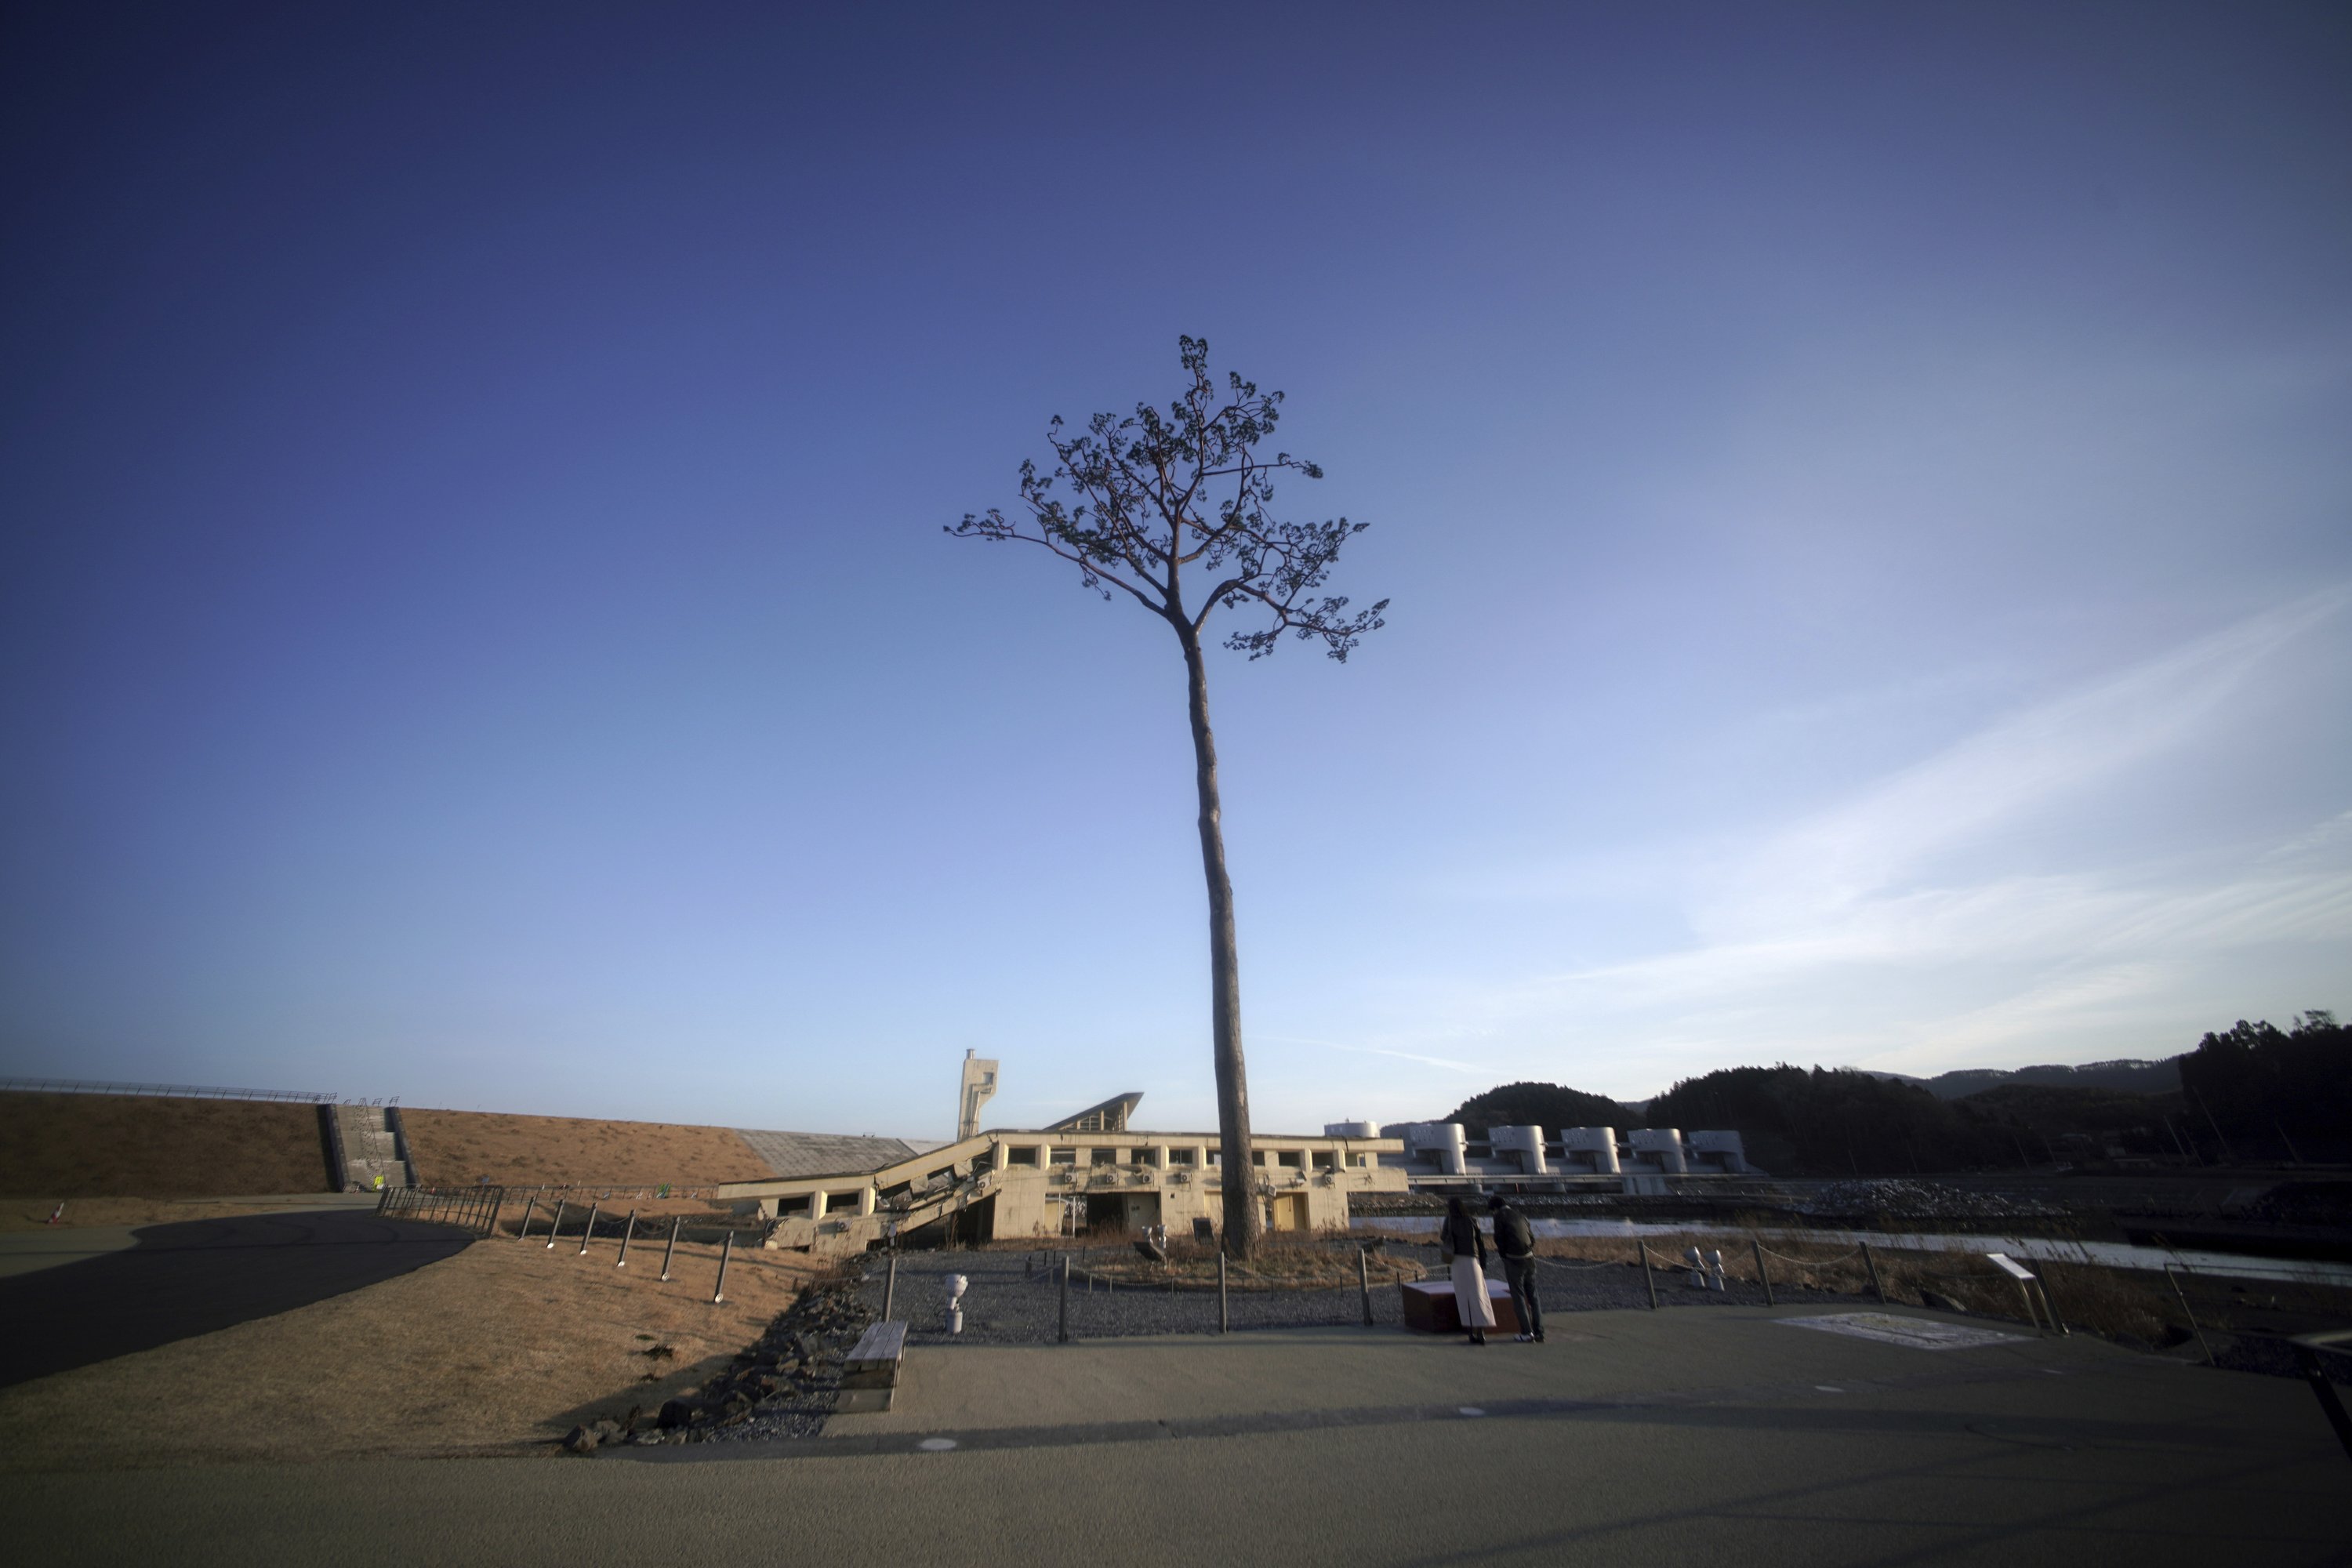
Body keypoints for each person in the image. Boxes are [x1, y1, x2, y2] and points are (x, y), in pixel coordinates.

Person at [1438, 1196, 1496, 1345]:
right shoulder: (1472, 1220)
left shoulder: (1449, 1220)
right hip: (1473, 1260)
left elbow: (1443, 1237)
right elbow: (1480, 1243)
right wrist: (1483, 1262)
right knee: (1478, 1295)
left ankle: (1470, 1333)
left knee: (1463, 1297)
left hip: (1457, 1260)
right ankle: (1482, 1331)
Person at [1490, 1192, 1544, 1342]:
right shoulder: (1520, 1215)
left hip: (1514, 1261)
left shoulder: (1499, 1217)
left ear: (1495, 1208)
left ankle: (1526, 1333)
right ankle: (1539, 1332)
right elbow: (1532, 1238)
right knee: (1533, 1296)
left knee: (1518, 1296)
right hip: (1530, 1259)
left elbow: (1499, 1238)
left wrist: (1504, 1255)